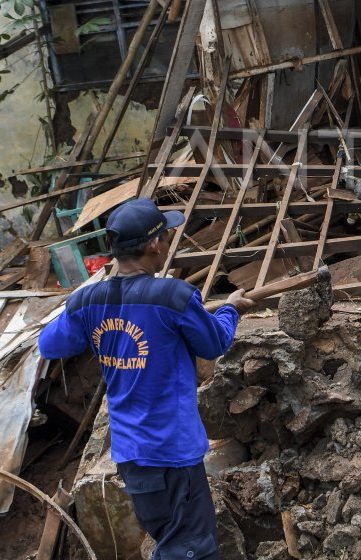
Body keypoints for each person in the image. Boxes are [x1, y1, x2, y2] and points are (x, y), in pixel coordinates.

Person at [39, 198, 253, 559]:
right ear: (155, 244)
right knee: (192, 550)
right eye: (167, 236)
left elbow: (49, 344)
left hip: (131, 454)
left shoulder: (88, 301)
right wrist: (230, 309)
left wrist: (93, 324)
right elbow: (214, 342)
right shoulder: (173, 297)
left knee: (172, 540)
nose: (168, 243)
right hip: (172, 453)